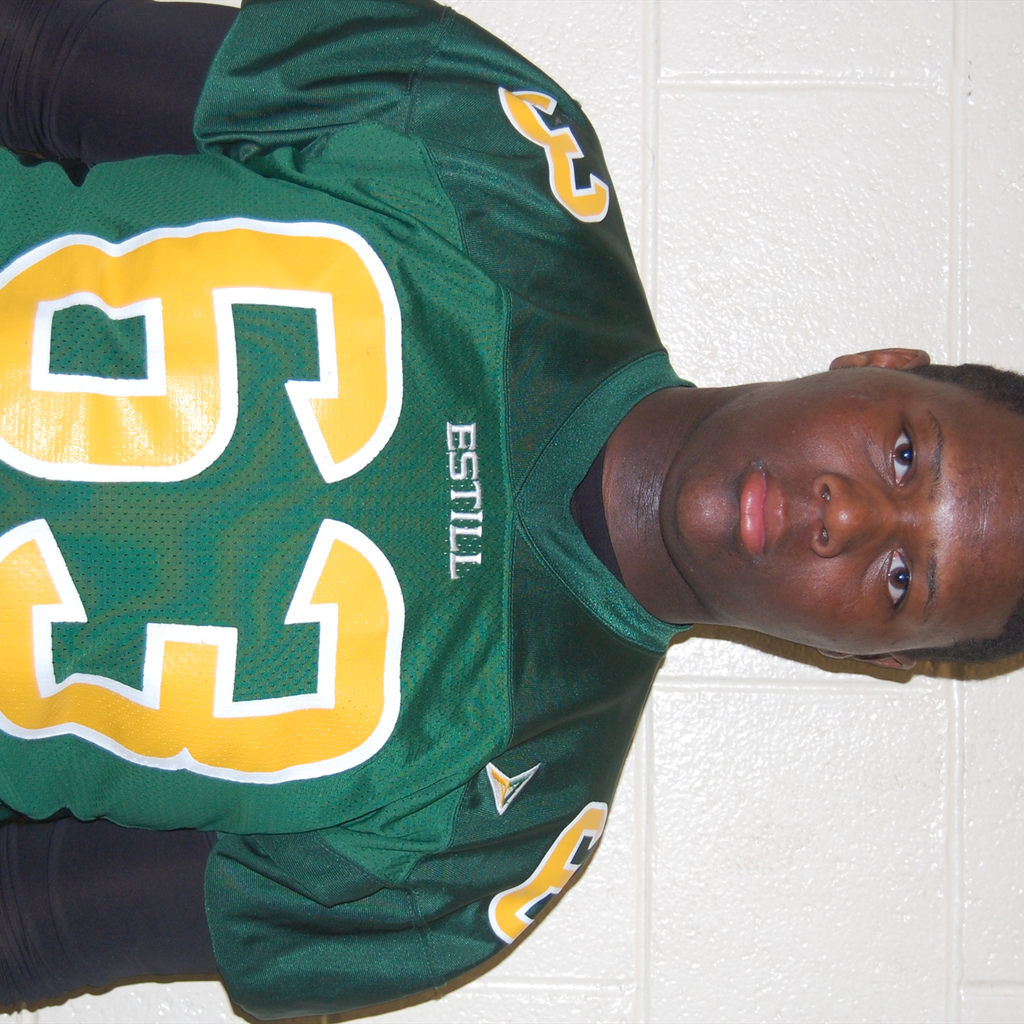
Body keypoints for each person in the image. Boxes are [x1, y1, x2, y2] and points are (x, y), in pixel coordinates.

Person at [0, 0, 1023, 1018]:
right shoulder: (499, 152)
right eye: (904, 455)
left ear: (872, 657)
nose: (849, 519)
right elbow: (40, 62)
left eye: (902, 581)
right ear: (881, 363)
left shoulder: (494, 841)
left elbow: (37, 921)